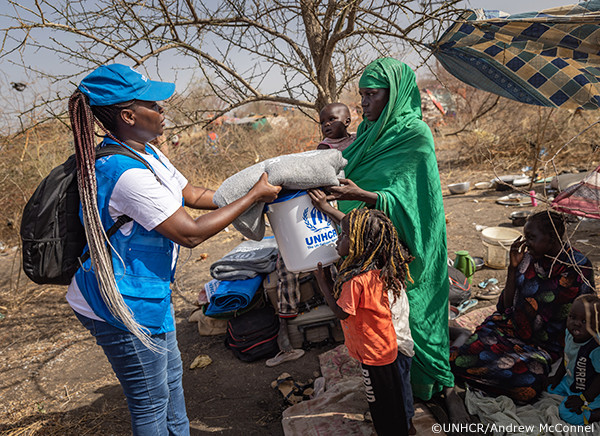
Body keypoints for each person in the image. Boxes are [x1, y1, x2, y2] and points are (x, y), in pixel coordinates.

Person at [66, 64, 281, 435]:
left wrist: (262, 194)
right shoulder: (124, 172)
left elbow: (193, 195)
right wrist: (251, 197)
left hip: (149, 294)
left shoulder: (146, 154)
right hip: (120, 303)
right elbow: (190, 233)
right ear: (129, 115)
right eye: (155, 105)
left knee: (171, 384)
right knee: (150, 403)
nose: (164, 111)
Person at [323, 58, 461, 418]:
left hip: (413, 242)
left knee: (417, 311)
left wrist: (367, 195)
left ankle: (434, 384)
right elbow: (347, 167)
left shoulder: (415, 134)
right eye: (362, 96)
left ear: (394, 94)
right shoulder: (369, 133)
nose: (364, 104)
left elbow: (416, 201)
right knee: (384, 318)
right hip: (376, 245)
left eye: (372, 95)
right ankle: (397, 387)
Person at [451, 211, 595, 404]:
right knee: (457, 358)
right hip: (508, 330)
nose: (525, 243)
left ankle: (476, 377)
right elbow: (504, 306)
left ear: (551, 238)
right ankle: (469, 352)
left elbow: (587, 316)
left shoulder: (578, 268)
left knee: (528, 387)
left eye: (531, 238)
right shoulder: (527, 259)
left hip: (542, 347)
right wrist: (512, 268)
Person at [310, 201, 415, 436]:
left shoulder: (356, 281)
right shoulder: (386, 265)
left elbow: (341, 312)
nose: (338, 240)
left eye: (344, 235)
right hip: (399, 344)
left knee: (382, 402)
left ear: (360, 244)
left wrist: (322, 281)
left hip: (377, 354)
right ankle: (408, 425)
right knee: (399, 394)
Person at [547, 294, 600, 425]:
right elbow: (567, 358)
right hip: (572, 382)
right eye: (572, 317)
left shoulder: (595, 347)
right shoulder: (569, 334)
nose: (576, 323)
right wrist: (557, 377)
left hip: (592, 391)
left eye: (584, 321)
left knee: (566, 413)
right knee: (548, 387)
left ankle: (594, 415)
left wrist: (584, 398)